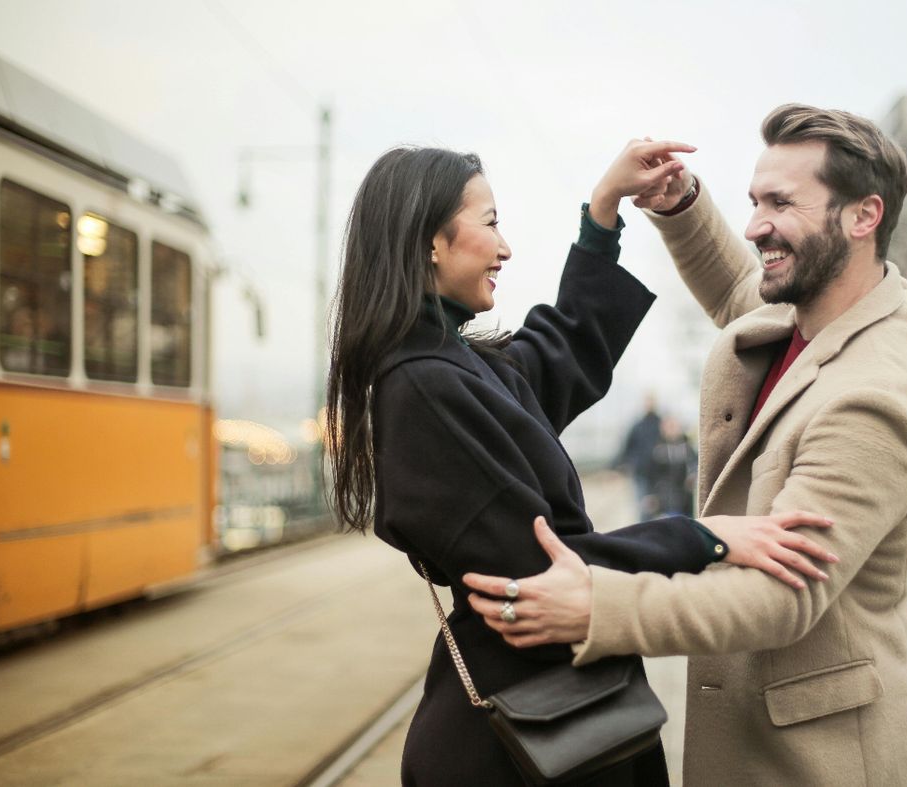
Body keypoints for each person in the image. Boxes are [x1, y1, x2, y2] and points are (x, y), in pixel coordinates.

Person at [465, 104, 907, 786]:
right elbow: (739, 291)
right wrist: (680, 204)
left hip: (825, 762)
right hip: (769, 741)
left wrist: (598, 606)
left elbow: (780, 596)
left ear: (863, 216)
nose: (755, 226)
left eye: (782, 202)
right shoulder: (824, 305)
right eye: (755, 201)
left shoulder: (873, 397)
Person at [325, 143, 836, 786]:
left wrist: (602, 214)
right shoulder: (426, 386)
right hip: (525, 739)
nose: (505, 248)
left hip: (550, 716)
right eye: (489, 223)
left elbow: (560, 349)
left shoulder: (453, 364)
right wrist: (705, 537)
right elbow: (547, 571)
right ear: (431, 242)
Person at [615, 394, 662, 519]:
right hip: (640, 472)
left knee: (658, 506)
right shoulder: (637, 426)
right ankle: (645, 532)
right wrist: (616, 465)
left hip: (659, 474)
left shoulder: (661, 424)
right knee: (643, 506)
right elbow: (626, 447)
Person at [642, 415, 697, 518]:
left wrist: (693, 476)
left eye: (674, 426)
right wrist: (650, 495)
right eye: (669, 427)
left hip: (685, 501)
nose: (672, 430)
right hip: (664, 501)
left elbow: (694, 465)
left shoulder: (687, 448)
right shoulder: (657, 450)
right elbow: (651, 475)